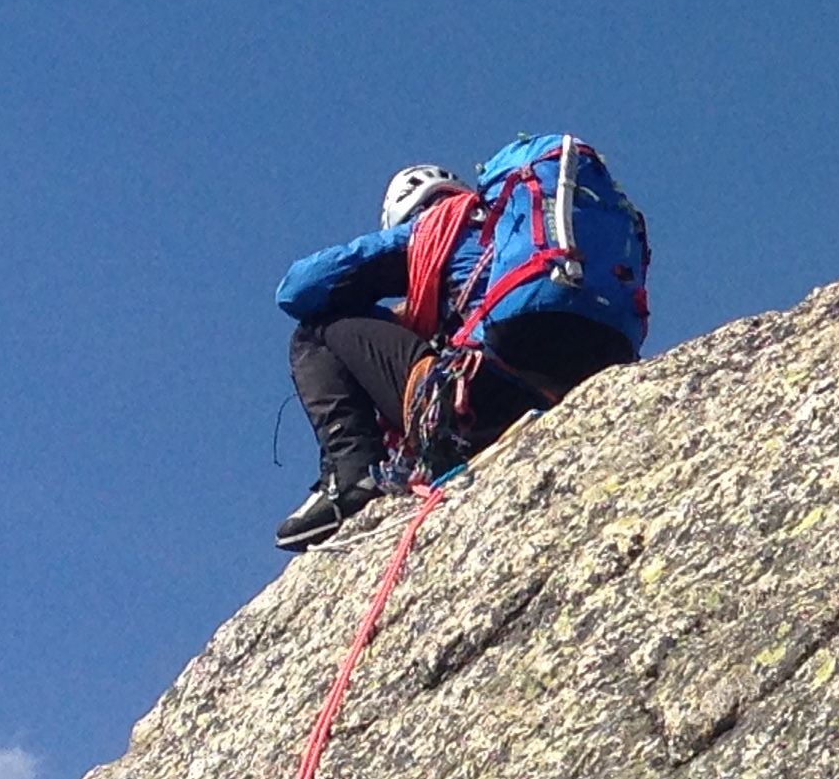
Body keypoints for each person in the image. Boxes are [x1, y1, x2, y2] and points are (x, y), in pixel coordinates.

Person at [274, 157, 641, 549]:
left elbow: (297, 290)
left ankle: (351, 474)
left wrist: (383, 312)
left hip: (486, 397)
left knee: (316, 330)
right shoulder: (509, 235)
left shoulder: (439, 224)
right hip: (580, 374)